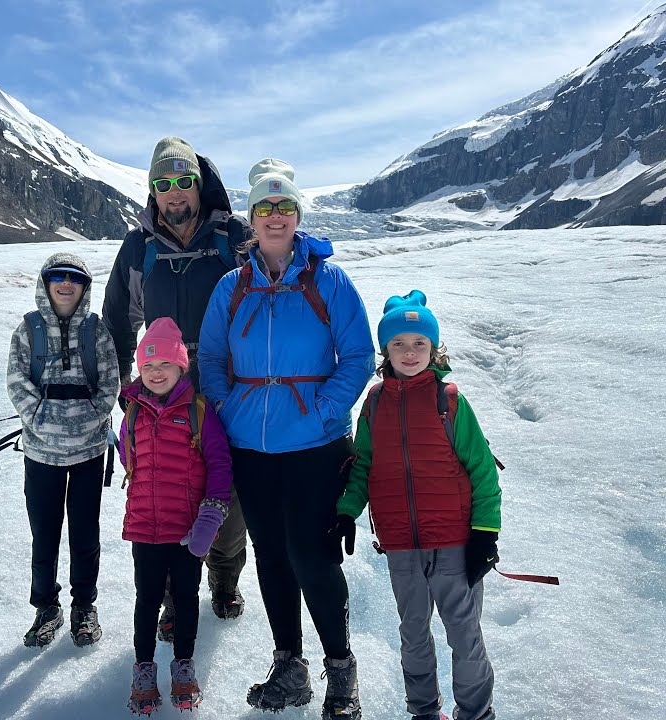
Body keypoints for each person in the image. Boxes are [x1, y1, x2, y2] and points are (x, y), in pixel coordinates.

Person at [198, 158, 375, 719]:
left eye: (285, 207)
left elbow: (357, 355)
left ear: (298, 216)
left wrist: (325, 408)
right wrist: (228, 404)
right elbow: (209, 356)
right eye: (265, 208)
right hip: (251, 444)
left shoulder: (329, 280)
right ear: (252, 220)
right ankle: (289, 663)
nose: (275, 217)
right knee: (271, 555)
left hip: (317, 445)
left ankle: (341, 668)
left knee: (312, 555)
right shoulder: (232, 285)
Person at [103, 136, 252, 634]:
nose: (174, 193)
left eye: (183, 181)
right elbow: (119, 320)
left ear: (198, 183)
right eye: (162, 184)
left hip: (222, 380)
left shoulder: (233, 237)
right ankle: (170, 595)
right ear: (153, 190)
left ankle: (225, 580)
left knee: (223, 487)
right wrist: (122, 390)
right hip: (160, 382)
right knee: (165, 486)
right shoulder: (139, 246)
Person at [332, 291, 502, 720]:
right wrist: (347, 511)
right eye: (399, 344)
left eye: (419, 344)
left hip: (455, 542)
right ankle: (423, 711)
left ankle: (476, 713)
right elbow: (364, 465)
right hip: (402, 546)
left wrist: (485, 532)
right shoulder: (373, 403)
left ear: (434, 348)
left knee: (464, 635)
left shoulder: (450, 401)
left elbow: (482, 469)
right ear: (385, 350)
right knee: (412, 635)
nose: (410, 353)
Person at [119, 317, 233, 715]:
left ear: (182, 367)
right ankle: (144, 669)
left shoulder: (200, 412)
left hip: (187, 531)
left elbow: (220, 469)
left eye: (164, 364)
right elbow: (128, 459)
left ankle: (184, 666)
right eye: (147, 366)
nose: (155, 372)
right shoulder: (132, 414)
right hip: (145, 529)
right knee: (147, 600)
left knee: (185, 599)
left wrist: (210, 519)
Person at [6, 253, 120, 649]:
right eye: (58, 277)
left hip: (89, 452)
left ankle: (84, 606)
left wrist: (89, 417)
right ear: (46, 283)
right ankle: (46, 607)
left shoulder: (96, 330)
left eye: (75, 278)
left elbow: (109, 382)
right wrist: (38, 417)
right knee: (45, 534)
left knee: (85, 534)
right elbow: (17, 380)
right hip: (41, 454)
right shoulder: (29, 329)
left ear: (85, 286)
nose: (66, 284)